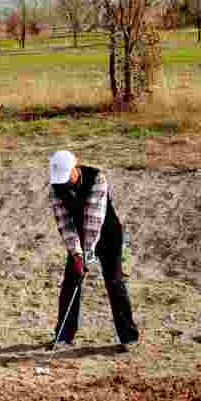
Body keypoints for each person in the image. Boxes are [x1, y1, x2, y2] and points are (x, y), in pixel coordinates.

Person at [46, 150, 140, 351]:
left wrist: (86, 253)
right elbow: (64, 223)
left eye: (66, 177)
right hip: (79, 236)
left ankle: (128, 337)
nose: (64, 183)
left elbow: (93, 219)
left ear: (75, 167)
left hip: (108, 234)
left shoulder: (97, 178)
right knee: (71, 282)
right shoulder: (55, 187)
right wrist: (77, 254)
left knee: (114, 282)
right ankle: (63, 336)